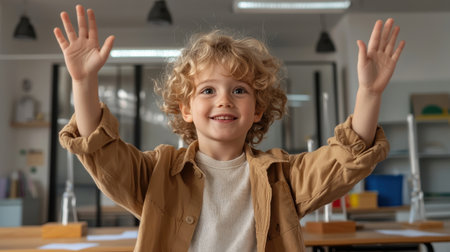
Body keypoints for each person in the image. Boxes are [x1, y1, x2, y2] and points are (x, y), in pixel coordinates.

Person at [55, 5, 405, 252]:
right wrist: (84, 83)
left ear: (258, 110)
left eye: (239, 90)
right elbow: (100, 150)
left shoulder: (283, 177)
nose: (224, 100)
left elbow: (347, 157)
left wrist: (370, 93)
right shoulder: (156, 174)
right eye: (208, 90)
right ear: (186, 109)